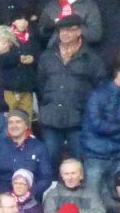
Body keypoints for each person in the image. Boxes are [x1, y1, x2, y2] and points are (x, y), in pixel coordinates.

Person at [36, 15, 105, 163]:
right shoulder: (47, 56)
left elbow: (100, 89)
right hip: (51, 119)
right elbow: (40, 85)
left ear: (79, 31)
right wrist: (48, 103)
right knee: (48, 163)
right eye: (61, 30)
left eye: (69, 30)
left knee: (80, 163)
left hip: (80, 120)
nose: (64, 34)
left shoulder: (92, 59)